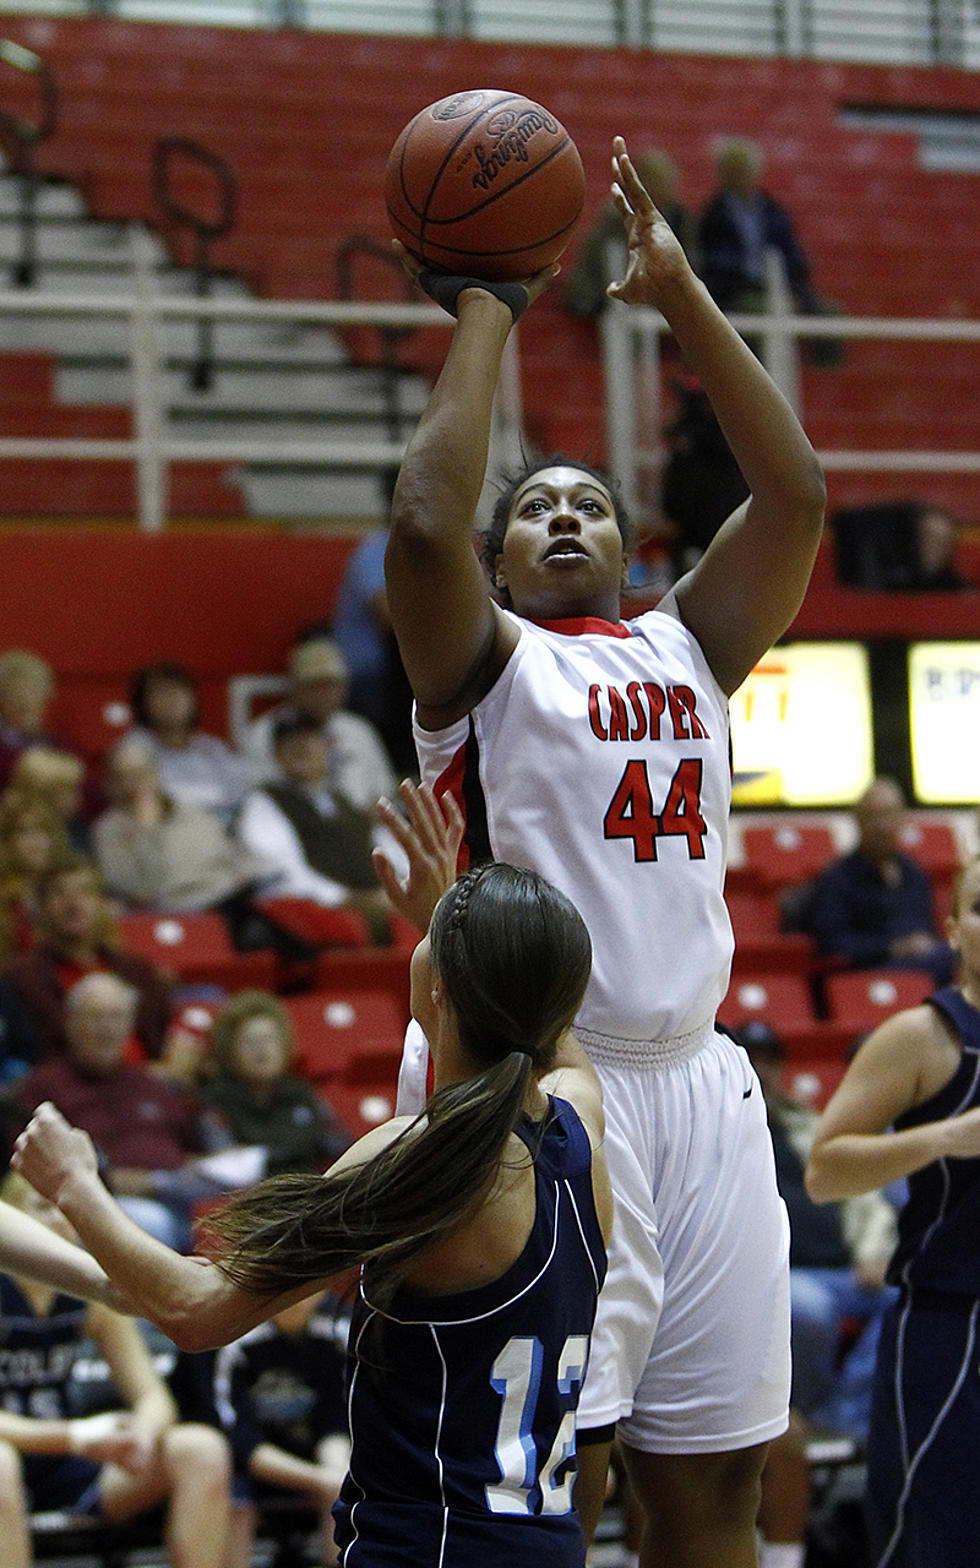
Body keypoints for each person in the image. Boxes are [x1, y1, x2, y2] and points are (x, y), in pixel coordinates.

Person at [383, 135, 826, 1568]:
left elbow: (798, 494)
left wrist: (684, 296)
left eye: (587, 504)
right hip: (528, 1082)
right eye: (533, 508)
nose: (560, 514)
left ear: (633, 551)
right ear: (501, 563)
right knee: (540, 1485)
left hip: (698, 1088)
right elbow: (420, 517)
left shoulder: (688, 641)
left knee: (711, 1493)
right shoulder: (484, 663)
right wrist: (489, 300)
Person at [13, 779, 612, 1568]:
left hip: (429, 1551)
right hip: (548, 1545)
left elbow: (198, 1311)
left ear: (441, 987)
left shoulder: (421, 1155)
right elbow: (546, 1022)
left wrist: (76, 1186)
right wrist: (455, 924)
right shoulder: (582, 1122)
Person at [804, 853, 980, 1568]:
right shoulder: (924, 1037)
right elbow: (823, 1169)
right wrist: (941, 1137)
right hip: (952, 1327)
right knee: (931, 1543)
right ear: (954, 929)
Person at [0, 1169, 231, 1568]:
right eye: (41, 1208)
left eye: (63, 1210)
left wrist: (142, 1432)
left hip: (62, 1462)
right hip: (20, 1452)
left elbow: (153, 1396)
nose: (58, 1219)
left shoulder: (87, 1295)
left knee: (200, 1448)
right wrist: (74, 1436)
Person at [735, 1020, 896, 1441]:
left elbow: (864, 1196)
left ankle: (845, 1414)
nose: (761, 1068)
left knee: (906, 1294)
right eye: (751, 1058)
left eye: (769, 1059)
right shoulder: (720, 1128)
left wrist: (871, 1251)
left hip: (844, 1269)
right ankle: (801, 1415)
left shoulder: (806, 1123)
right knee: (807, 1311)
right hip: (786, 1272)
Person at [9, 971, 231, 1250]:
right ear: (70, 1023)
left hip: (180, 1195)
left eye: (117, 1017)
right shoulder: (43, 1088)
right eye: (96, 1017)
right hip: (101, 1204)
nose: (107, 1028)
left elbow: (195, 1148)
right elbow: (27, 1165)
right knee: (154, 1223)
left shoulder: (152, 1085)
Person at [212, 1288, 351, 1568]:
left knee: (348, 1484)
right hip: (248, 1464)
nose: (300, 1293)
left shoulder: (341, 1328)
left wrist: (338, 1476)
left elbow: (337, 1422)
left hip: (314, 1456)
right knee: (235, 1495)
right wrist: (320, 1479)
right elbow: (239, 1438)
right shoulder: (232, 1335)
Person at [237, 712, 398, 944]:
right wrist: (348, 898)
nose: (301, 746)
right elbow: (283, 875)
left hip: (373, 901)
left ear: (327, 746)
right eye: (289, 743)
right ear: (276, 755)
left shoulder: (345, 800)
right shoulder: (264, 803)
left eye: (308, 738)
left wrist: (401, 888)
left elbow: (388, 850)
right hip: (316, 913)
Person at [2, 854, 174, 1063]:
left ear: (103, 904)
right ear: (41, 908)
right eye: (59, 893)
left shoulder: (136, 969)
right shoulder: (21, 979)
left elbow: (167, 1031)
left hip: (143, 1084)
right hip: (70, 1089)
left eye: (84, 891)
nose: (72, 902)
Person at [806, 777, 955, 988]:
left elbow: (926, 929)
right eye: (873, 816)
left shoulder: (914, 872)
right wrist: (893, 947)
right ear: (858, 821)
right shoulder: (837, 878)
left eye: (889, 815)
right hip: (869, 974)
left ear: (902, 819)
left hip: (925, 966)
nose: (882, 826)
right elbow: (832, 945)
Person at [198, 989, 350, 1176]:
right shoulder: (214, 1102)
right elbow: (225, 1166)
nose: (262, 1051)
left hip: (307, 1192)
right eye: (250, 1042)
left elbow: (339, 1145)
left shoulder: (302, 1094)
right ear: (229, 1050)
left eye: (270, 1039)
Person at [238, 635, 397, 810]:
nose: (327, 695)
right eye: (317, 686)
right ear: (296, 686)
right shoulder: (264, 733)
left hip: (362, 827)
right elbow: (258, 796)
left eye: (334, 685)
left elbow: (385, 792)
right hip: (296, 827)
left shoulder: (358, 730)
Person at [564, 148, 698, 321]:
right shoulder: (618, 215)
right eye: (661, 182)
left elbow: (689, 267)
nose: (669, 188)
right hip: (604, 301)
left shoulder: (680, 219)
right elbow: (611, 267)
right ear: (642, 183)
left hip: (653, 302)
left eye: (669, 182)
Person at [329, 529, 418, 776]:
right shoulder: (377, 550)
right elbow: (390, 615)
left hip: (403, 678)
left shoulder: (439, 547)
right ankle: (402, 775)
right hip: (368, 677)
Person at [128, 662, 252, 827]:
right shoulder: (133, 748)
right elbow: (154, 802)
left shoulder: (212, 746)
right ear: (142, 703)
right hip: (167, 834)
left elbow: (240, 794)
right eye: (161, 692)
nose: (172, 699)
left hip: (224, 833)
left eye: (178, 690)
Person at [0, 791, 69, 966]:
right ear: (7, 841)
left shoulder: (70, 890)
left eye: (44, 831)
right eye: (26, 832)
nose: (37, 842)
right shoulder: (5, 900)